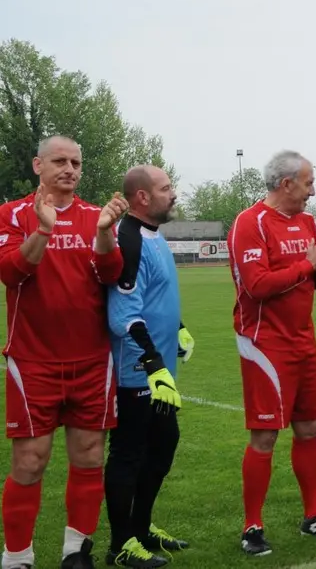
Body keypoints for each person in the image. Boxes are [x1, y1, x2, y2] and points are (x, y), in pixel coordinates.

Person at [0, 135, 128, 569]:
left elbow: (111, 274)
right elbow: (11, 272)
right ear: (38, 165)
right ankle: (17, 558)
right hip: (32, 360)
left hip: (92, 360)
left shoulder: (95, 216)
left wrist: (106, 233)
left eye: (76, 162)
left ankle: (77, 553)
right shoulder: (12, 213)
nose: (69, 169)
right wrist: (43, 229)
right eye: (59, 161)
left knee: (89, 456)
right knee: (30, 461)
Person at [227, 150, 316, 556]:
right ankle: (252, 526)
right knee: (264, 434)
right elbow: (257, 285)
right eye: (308, 183)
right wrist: (308, 262)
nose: (312, 192)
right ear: (286, 183)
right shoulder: (251, 222)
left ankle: (314, 515)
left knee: (309, 428)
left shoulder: (307, 222)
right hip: (264, 343)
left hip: (302, 340)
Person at [104, 166, 190, 568]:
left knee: (163, 445)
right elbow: (123, 313)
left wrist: (180, 328)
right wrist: (153, 362)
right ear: (142, 197)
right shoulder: (129, 239)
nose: (173, 194)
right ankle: (121, 544)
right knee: (129, 454)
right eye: (166, 188)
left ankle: (141, 528)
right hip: (137, 371)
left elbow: (156, 297)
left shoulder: (154, 235)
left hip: (161, 372)